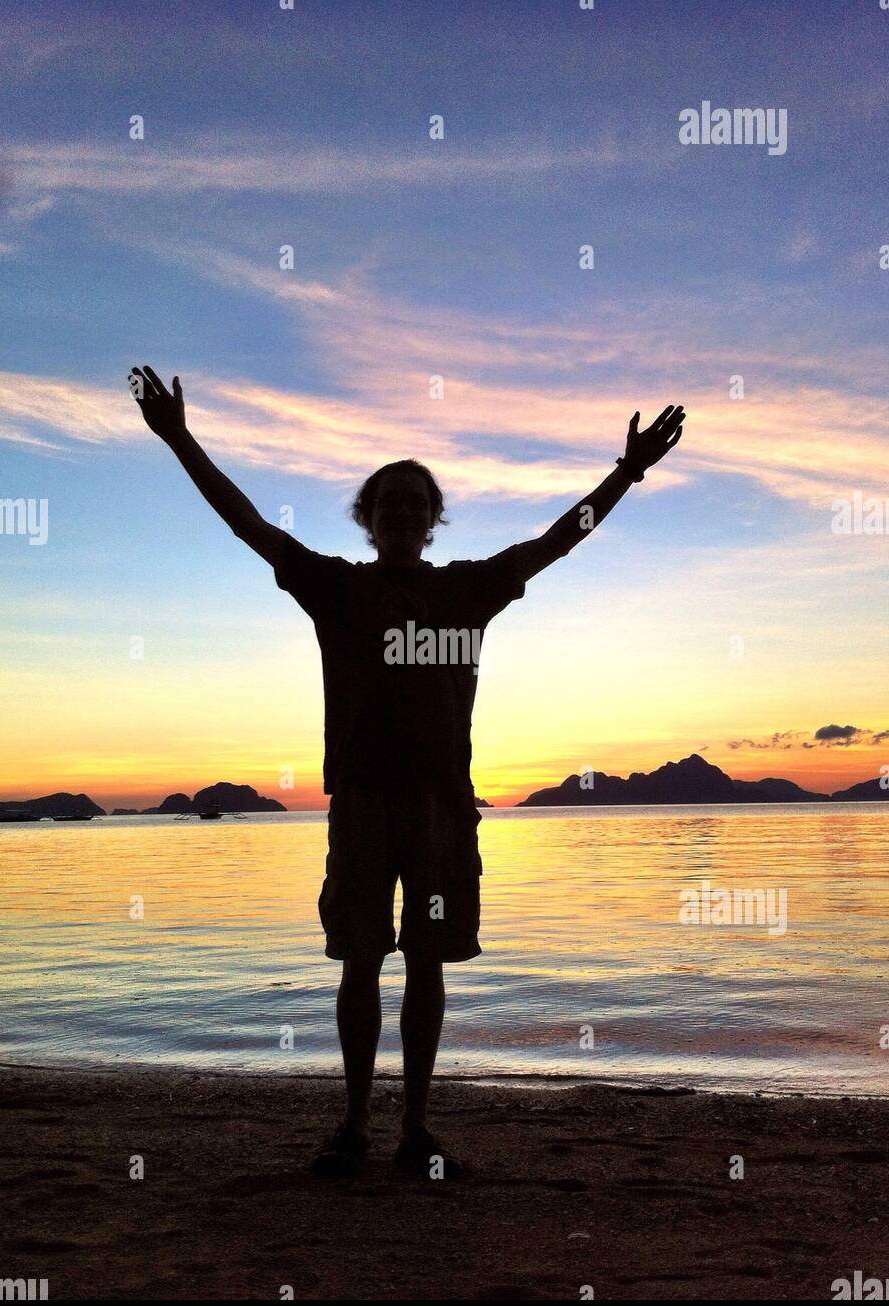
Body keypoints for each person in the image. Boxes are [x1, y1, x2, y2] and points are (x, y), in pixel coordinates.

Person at [130, 364, 684, 1178]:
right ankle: (354, 1126)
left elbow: (559, 540)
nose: (400, 512)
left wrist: (627, 473)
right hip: (361, 803)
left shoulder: (470, 590)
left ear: (433, 522)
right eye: (386, 501)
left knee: (427, 960)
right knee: (362, 959)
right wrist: (179, 437)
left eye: (414, 503)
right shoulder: (334, 588)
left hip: (439, 807)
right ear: (367, 518)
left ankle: (414, 1130)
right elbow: (246, 523)